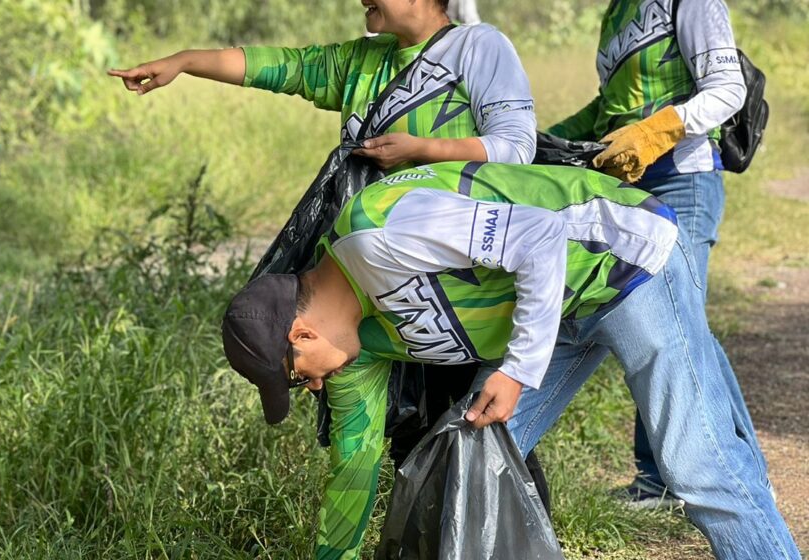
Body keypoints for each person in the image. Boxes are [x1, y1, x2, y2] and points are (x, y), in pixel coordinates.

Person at [221, 161, 799, 560]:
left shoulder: (381, 232)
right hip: (554, 316)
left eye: (299, 377)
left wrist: (519, 367)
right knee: (462, 466)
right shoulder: (358, 346)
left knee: (695, 465)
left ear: (301, 332)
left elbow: (542, 237)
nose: (314, 387)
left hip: (622, 263)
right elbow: (353, 467)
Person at [110, 0, 539, 472]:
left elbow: (515, 149)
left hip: (455, 286)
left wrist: (423, 149)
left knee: (474, 432)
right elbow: (279, 66)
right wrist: (185, 62)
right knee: (400, 434)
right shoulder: (362, 62)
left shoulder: (478, 47)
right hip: (370, 286)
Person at [547, 0, 755, 507]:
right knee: (673, 327)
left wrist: (655, 130)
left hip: (683, 177)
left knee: (677, 329)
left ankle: (705, 476)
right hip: (631, 189)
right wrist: (538, 139)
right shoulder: (617, 13)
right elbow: (608, 112)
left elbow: (728, 89)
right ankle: (677, 476)